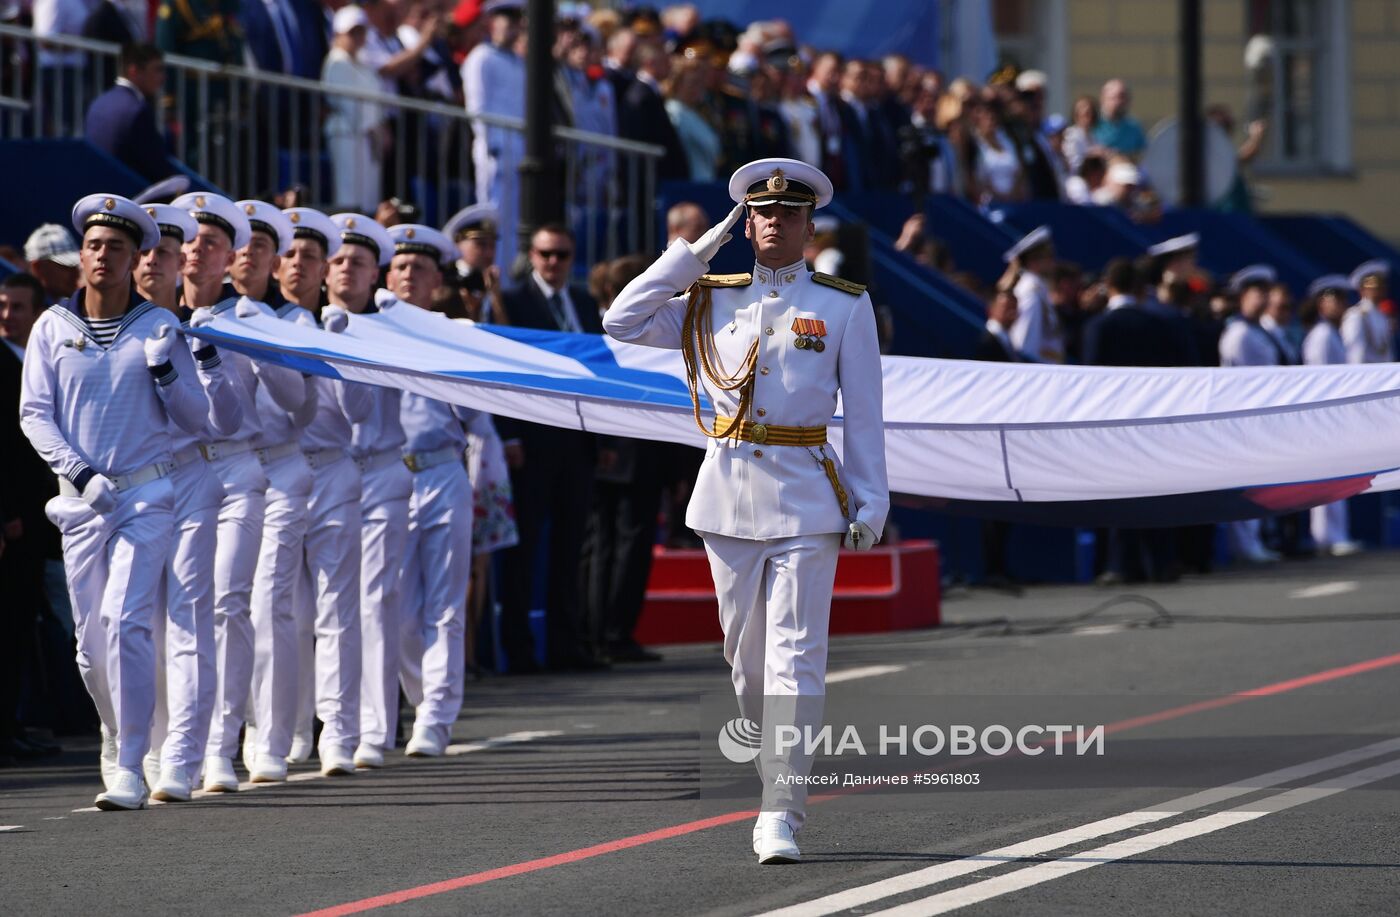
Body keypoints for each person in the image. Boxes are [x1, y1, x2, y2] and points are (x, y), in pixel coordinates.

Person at [603, 158, 888, 864]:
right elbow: (621, 319)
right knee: (746, 663)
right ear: (747, 222)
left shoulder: (846, 304)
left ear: (809, 225)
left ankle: (780, 809)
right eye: (762, 214)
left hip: (806, 496)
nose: (774, 223)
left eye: (789, 214)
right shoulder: (709, 296)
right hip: (727, 493)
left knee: (797, 659)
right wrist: (695, 250)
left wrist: (871, 501)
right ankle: (776, 777)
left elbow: (869, 419)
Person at [20, 194, 209, 810]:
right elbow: (35, 416)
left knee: (128, 621)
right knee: (89, 642)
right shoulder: (52, 326)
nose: (104, 256)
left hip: (147, 495)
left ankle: (131, 760)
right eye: (96, 246)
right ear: (83, 255)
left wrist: (168, 375)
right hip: (80, 502)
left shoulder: (159, 327)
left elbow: (197, 420)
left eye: (117, 248)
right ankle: (115, 729)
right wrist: (78, 471)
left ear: (136, 259)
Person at [169, 192, 299, 791]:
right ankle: (167, 744)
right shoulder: (151, 316)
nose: (198, 252)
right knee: (166, 614)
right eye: (190, 240)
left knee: (228, 602)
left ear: (232, 257)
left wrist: (262, 343)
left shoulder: (251, 319)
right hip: (168, 477)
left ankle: (223, 745)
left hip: (236, 473)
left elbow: (296, 402)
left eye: (213, 243)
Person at [131, 202, 241, 801]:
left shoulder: (195, 332)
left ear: (180, 265)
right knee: (125, 627)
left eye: (165, 254)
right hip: (129, 488)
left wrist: (201, 363)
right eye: (144, 253)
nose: (153, 263)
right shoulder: (106, 334)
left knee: (189, 617)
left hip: (194, 479)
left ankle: (183, 754)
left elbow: (226, 422)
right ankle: (139, 746)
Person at [381, 223, 477, 755]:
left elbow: (474, 413)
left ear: (436, 278)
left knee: (444, 603)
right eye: (401, 267)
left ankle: (435, 717)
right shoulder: (366, 329)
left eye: (419, 269)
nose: (409, 277)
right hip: (391, 474)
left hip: (442, 470)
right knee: (397, 607)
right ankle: (423, 699)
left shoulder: (450, 330)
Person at [321, 213, 411, 770]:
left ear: (375, 270)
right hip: (322, 472)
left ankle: (375, 730)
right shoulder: (303, 321)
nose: (346, 270)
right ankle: (327, 723)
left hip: (379, 469)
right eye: (338, 260)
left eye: (357, 261)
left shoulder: (389, 324)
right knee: (321, 605)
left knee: (376, 602)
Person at [496, 224, 606, 672]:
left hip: (577, 441)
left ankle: (566, 645)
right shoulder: (514, 302)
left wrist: (604, 437)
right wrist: (510, 436)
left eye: (561, 255)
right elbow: (503, 373)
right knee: (524, 552)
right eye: (545, 254)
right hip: (534, 439)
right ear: (532, 255)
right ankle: (519, 650)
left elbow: (601, 369)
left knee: (570, 546)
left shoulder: (581, 302)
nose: (553, 263)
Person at [268, 207, 344, 768]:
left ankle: (338, 728)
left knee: (338, 608)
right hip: (273, 470)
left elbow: (360, 411)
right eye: (290, 256)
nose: (298, 266)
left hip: (337, 469)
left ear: (325, 270)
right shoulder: (249, 324)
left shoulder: (336, 328)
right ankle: (289, 728)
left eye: (310, 257)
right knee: (281, 609)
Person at [1219, 265, 1282, 565]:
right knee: (1248, 484)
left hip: (1262, 418)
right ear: (1242, 296)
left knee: (1260, 482)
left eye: (1266, 293)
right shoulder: (1239, 334)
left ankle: (1254, 540)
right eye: (1259, 293)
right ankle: (1244, 545)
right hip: (1245, 418)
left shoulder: (1258, 331)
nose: (1265, 299)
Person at [462, 0, 526, 270]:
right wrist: (491, 144)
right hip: (495, 149)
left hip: (518, 148)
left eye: (515, 22)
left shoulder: (520, 63)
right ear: (492, 22)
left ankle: (507, 279)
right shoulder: (481, 56)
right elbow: (476, 105)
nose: (510, 28)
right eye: (505, 20)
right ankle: (492, 274)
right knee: (493, 216)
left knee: (513, 222)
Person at [1302, 274, 1362, 557]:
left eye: (1341, 299)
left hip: (1333, 416)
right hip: (1324, 417)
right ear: (1320, 303)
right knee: (1328, 479)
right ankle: (1327, 535)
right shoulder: (1322, 336)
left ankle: (1334, 534)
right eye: (1332, 298)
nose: (1339, 304)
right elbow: (1323, 382)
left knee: (1337, 478)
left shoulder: (1331, 333)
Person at [323, 5, 387, 212]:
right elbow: (351, 105)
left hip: (367, 140)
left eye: (361, 31)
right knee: (349, 194)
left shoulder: (362, 62)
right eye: (352, 32)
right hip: (347, 135)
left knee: (368, 196)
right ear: (339, 33)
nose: (357, 37)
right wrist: (374, 128)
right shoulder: (336, 62)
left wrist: (378, 127)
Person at [84, 42, 172, 183]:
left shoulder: (99, 102)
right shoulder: (136, 110)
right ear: (133, 71)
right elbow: (157, 169)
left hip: (99, 191)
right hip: (129, 196)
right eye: (157, 70)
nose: (163, 77)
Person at [1003, 226, 1063, 363]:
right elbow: (1025, 344)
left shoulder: (1039, 290)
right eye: (1048, 257)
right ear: (1033, 262)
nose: (1053, 262)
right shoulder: (1031, 294)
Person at [441, 203, 505, 323]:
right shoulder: (444, 283)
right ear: (458, 242)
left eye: (492, 246)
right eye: (480, 244)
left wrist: (497, 300)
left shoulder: (496, 286)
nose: (489, 253)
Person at [665, 58, 722, 181]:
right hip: (687, 185)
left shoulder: (697, 114)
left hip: (706, 181)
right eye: (693, 83)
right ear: (678, 84)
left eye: (701, 82)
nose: (699, 88)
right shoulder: (673, 112)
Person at [1341, 261, 1393, 364]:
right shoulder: (1356, 315)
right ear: (1362, 290)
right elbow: (1355, 352)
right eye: (1373, 288)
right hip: (1367, 375)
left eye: (1381, 287)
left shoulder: (1380, 314)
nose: (1380, 291)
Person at [23, 224, 81, 305]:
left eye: (76, 266)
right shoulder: (19, 311)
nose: (76, 273)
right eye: (65, 266)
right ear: (38, 268)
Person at [1093, 78, 1146, 158]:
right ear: (1103, 99)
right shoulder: (1092, 124)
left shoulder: (1134, 127)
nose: (1118, 102)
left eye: (1122, 97)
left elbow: (1143, 154)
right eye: (1114, 98)